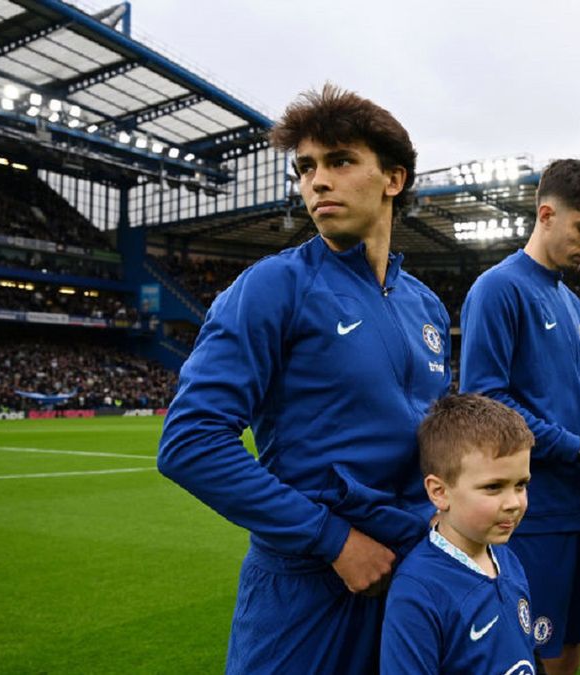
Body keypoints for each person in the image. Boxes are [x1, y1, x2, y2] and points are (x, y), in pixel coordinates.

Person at [157, 84, 451, 673]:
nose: (317, 181)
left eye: (340, 162)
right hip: (308, 582)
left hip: (413, 575)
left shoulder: (428, 308)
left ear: (393, 179)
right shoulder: (273, 287)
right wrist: (332, 540)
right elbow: (190, 443)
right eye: (306, 167)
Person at [459, 158, 580, 675]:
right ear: (546, 214)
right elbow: (486, 402)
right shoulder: (497, 288)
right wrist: (579, 448)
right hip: (528, 513)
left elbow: (573, 402)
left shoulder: (569, 301)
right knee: (529, 655)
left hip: (573, 509)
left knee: (570, 644)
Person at [380, 395, 538, 673]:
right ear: (439, 492)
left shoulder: (508, 559)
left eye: (521, 485)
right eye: (493, 487)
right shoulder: (418, 592)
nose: (513, 502)